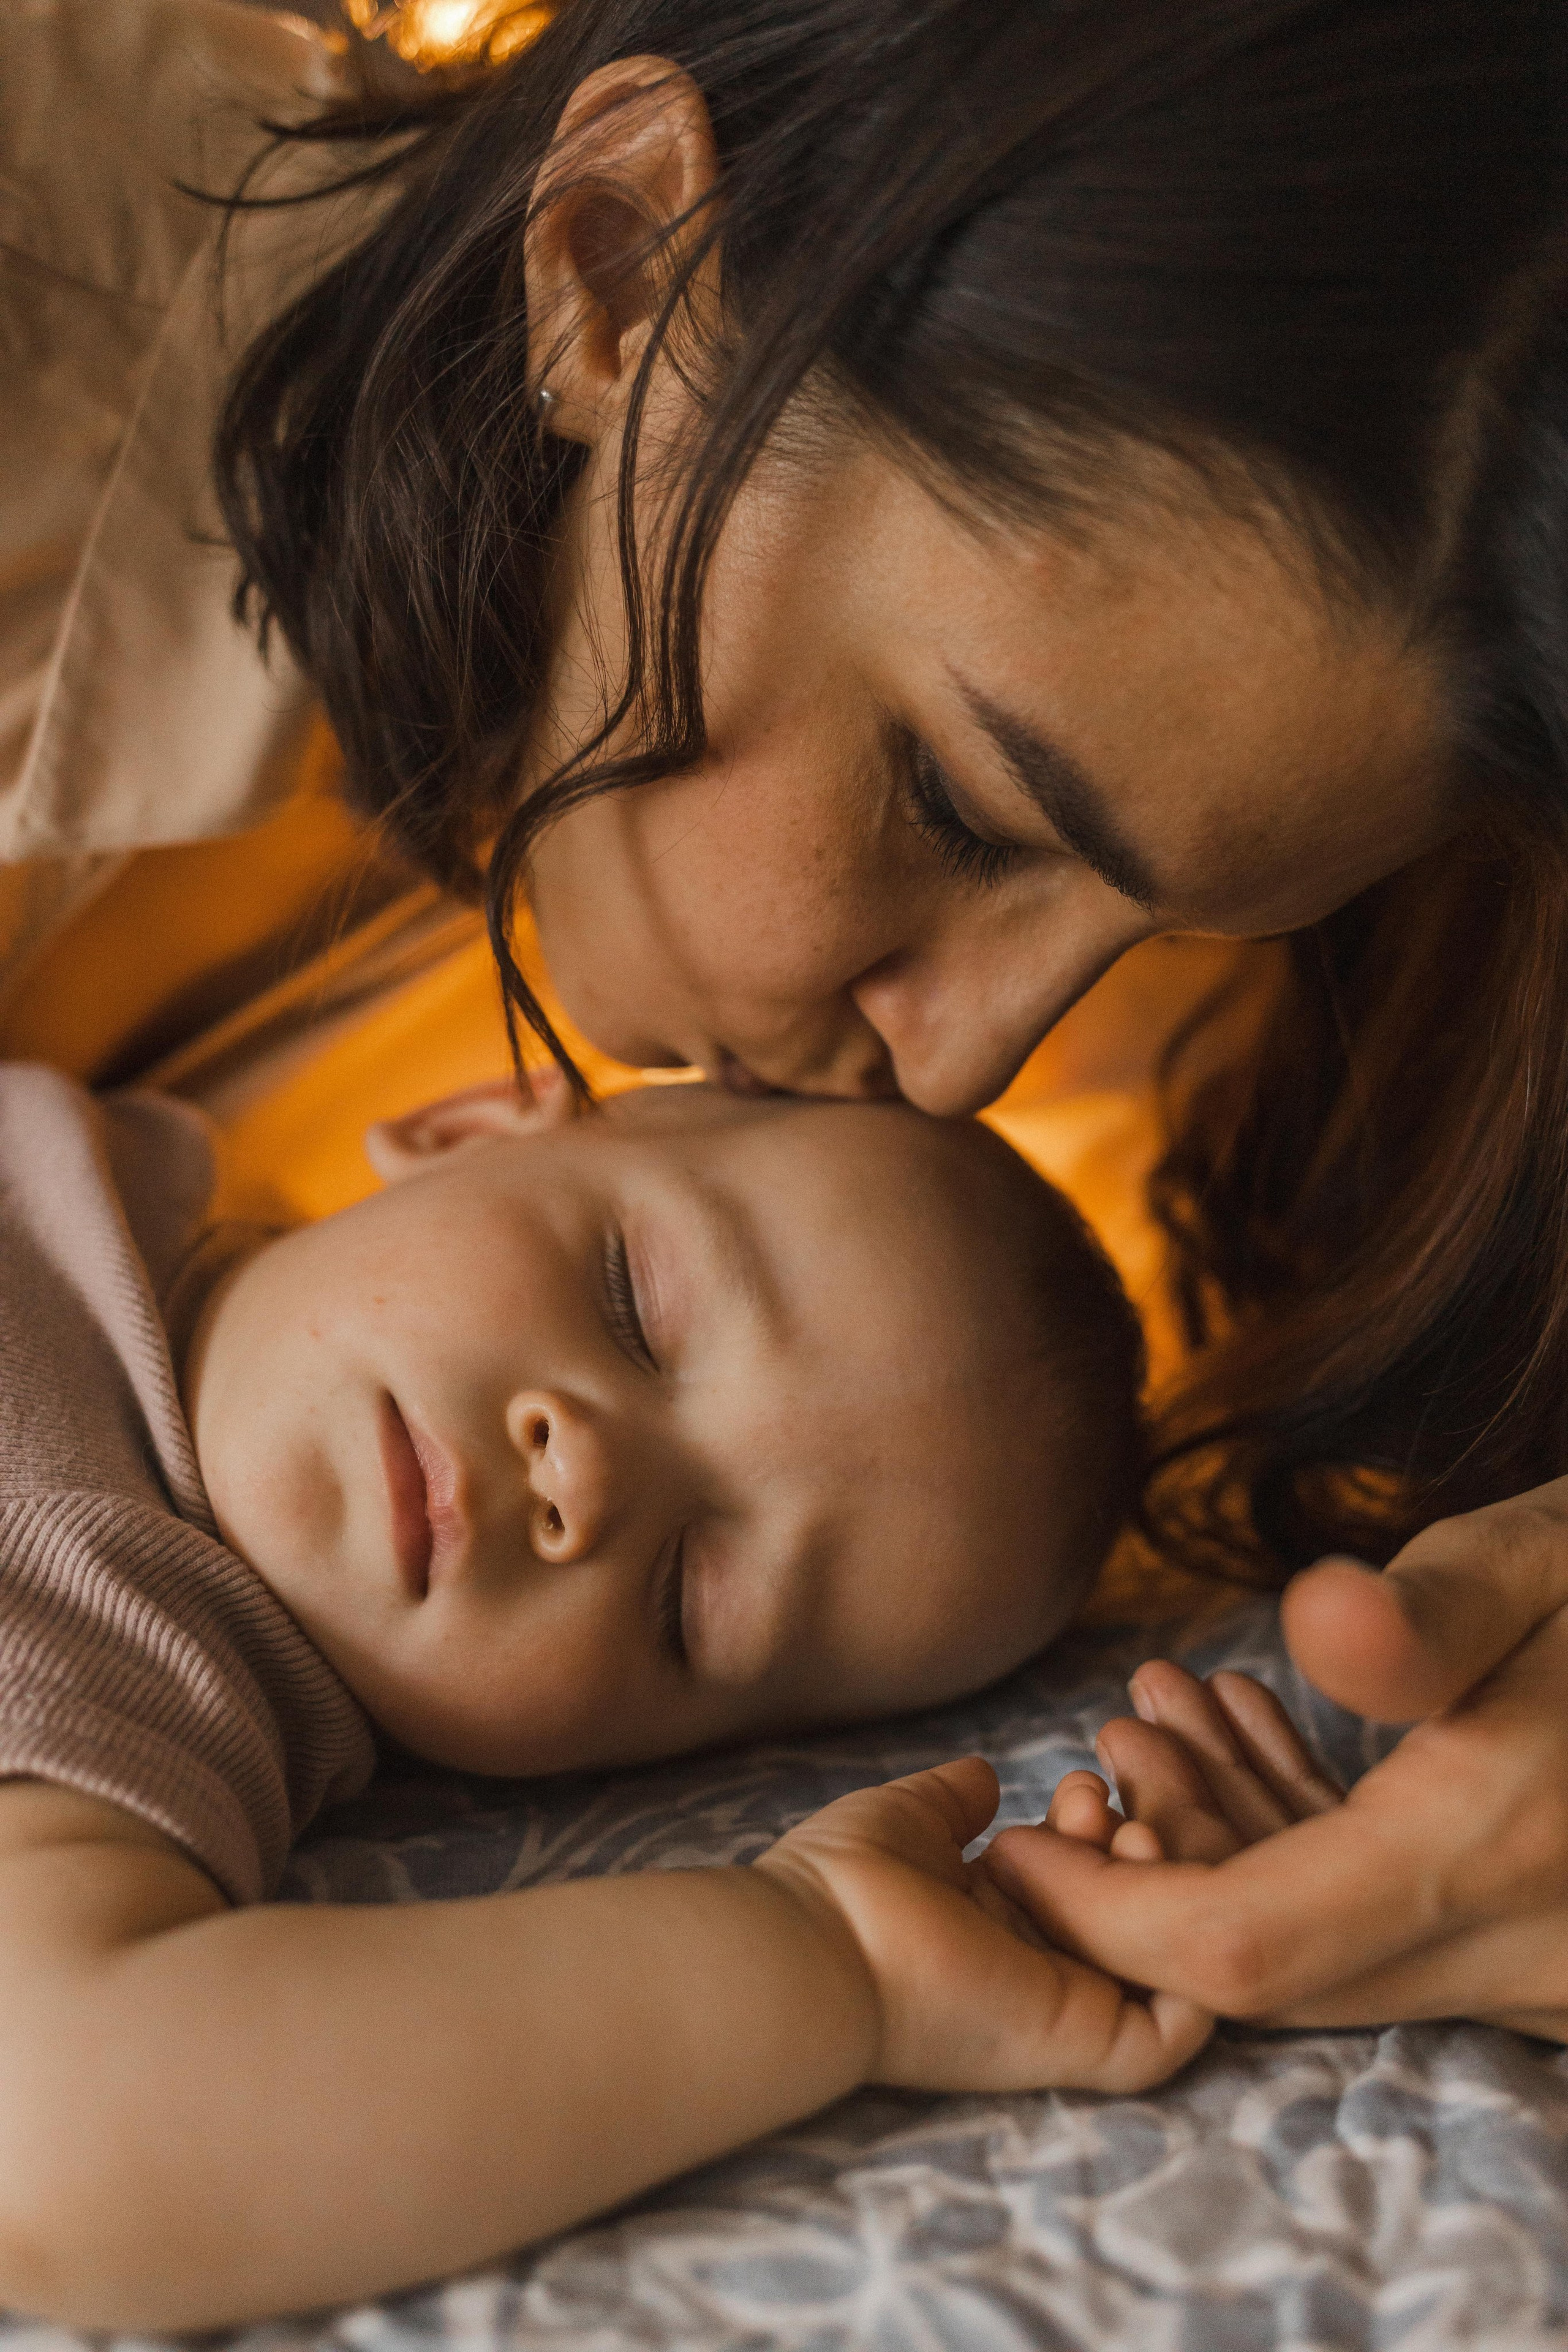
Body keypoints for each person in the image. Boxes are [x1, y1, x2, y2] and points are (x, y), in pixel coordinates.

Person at [7, 0, 1568, 2041]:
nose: (963, 1068)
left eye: (1156, 938)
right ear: (624, 271)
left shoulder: (930, 1230)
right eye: (954, 803)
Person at [0, 1054, 1200, 2326]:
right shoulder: (120, 1141)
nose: (588, 1474)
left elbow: (59, 2120)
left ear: (626, 1764)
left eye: (684, 1599)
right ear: (464, 1119)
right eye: (630, 1304)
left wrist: (826, 1956)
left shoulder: (115, 1651)